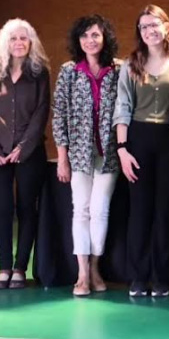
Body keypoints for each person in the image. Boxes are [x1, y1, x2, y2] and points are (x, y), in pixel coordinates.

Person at [113, 5, 169, 298]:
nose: (149, 31)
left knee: (165, 211)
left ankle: (161, 278)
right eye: (143, 27)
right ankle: (138, 277)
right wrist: (122, 149)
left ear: (166, 26)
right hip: (138, 140)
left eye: (154, 25)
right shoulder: (131, 64)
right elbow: (122, 107)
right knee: (140, 211)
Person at [53, 15, 123, 297]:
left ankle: (95, 267)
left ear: (105, 38)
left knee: (99, 209)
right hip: (78, 153)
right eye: (84, 35)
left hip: (109, 153)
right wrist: (62, 157)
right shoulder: (69, 71)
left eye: (95, 35)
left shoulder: (118, 70)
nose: (90, 40)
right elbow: (59, 115)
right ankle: (82, 273)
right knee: (80, 209)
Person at [0, 19, 51, 291]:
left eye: (24, 38)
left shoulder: (39, 74)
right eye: (13, 38)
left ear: (31, 43)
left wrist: (23, 147)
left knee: (26, 209)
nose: (19, 43)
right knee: (2, 210)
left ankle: (20, 267)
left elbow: (41, 112)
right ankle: (4, 267)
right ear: (5, 43)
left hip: (29, 153)